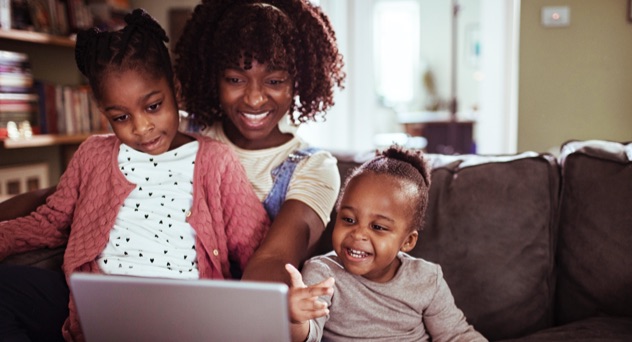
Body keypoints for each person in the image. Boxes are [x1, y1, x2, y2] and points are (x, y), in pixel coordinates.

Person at [0, 9, 269, 342]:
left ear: (176, 90)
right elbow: (51, 220)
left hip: (185, 314)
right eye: (121, 117)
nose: (142, 128)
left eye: (153, 106)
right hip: (99, 308)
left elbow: (255, 246)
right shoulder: (94, 154)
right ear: (104, 114)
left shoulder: (216, 161)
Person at [173, 0, 346, 283]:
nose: (254, 99)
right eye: (235, 79)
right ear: (213, 78)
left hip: (245, 311)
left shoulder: (314, 167)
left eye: (275, 81)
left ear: (297, 82)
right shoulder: (181, 134)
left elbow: (274, 261)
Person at [285, 145, 487, 342]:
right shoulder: (322, 274)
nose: (358, 234)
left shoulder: (426, 279)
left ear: (407, 241)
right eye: (348, 219)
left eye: (378, 227)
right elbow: (309, 336)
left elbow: (456, 335)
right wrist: (296, 319)